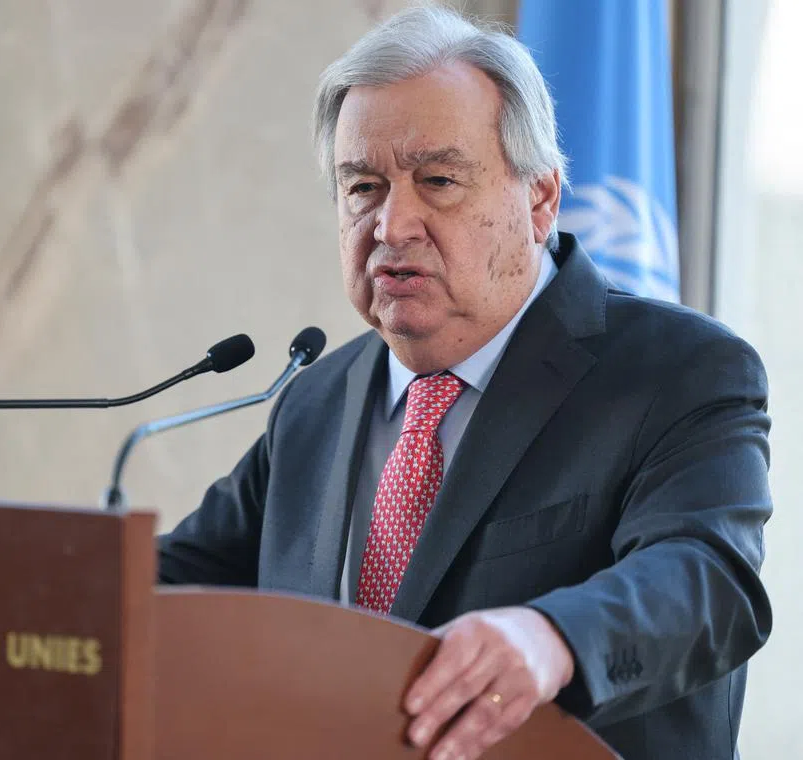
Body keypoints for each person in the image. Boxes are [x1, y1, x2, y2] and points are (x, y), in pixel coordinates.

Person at [156, 4, 773, 759]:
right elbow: (164, 591)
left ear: (539, 200)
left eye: (438, 180)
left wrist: (551, 636)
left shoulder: (676, 372)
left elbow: (708, 580)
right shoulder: (316, 401)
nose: (392, 226)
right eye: (363, 188)